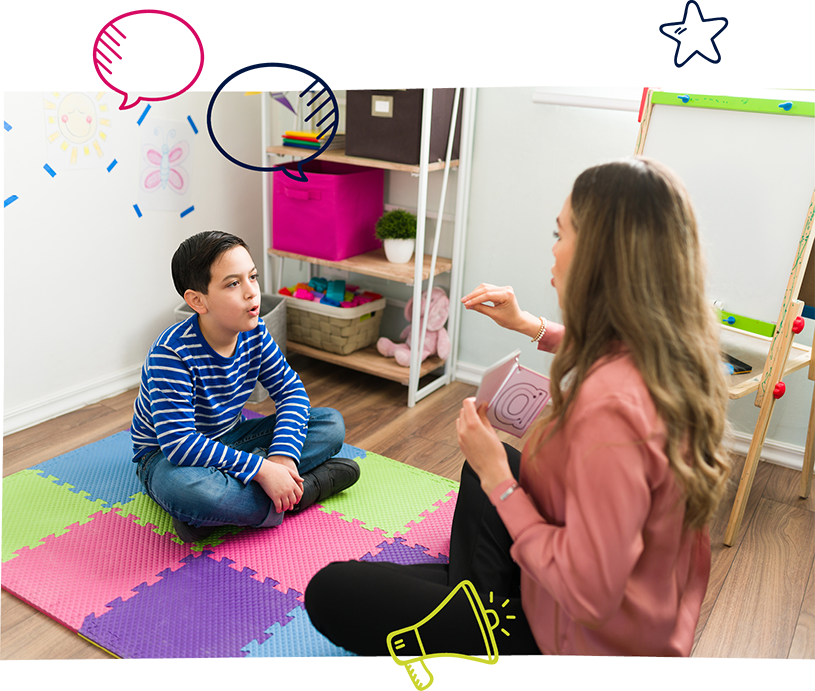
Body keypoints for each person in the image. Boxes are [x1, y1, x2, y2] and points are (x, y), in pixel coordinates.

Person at [304, 158, 731, 686]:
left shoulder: (614, 412)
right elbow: (608, 348)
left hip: (581, 643)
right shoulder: (673, 351)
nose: (553, 247)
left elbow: (590, 592)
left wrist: (500, 479)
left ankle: (492, 635)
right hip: (641, 615)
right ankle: (478, 608)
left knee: (331, 590)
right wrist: (530, 325)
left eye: (562, 232)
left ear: (603, 256)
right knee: (480, 468)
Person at [131, 230, 360, 543]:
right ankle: (302, 491)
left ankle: (219, 515)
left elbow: (291, 393)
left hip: (232, 439)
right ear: (197, 300)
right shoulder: (171, 354)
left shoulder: (255, 331)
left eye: (252, 277)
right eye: (233, 283)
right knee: (188, 490)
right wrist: (263, 471)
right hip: (167, 459)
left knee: (330, 423)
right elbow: (180, 444)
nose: (252, 292)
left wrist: (282, 459)